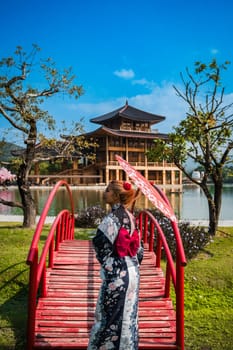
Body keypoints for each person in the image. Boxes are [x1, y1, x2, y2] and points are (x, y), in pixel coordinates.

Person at [88, 180, 143, 350]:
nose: (104, 193)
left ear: (115, 196)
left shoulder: (112, 218)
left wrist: (108, 265)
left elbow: (100, 244)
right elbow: (139, 251)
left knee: (109, 319)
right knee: (128, 317)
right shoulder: (130, 216)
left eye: (108, 190)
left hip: (117, 276)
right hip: (132, 272)